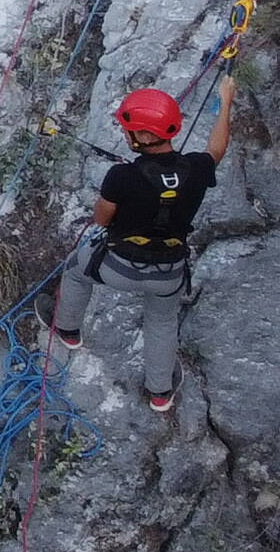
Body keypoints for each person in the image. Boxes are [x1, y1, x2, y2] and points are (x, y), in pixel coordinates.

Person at [46, 80, 237, 409]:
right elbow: (217, 149)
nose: (124, 134)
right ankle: (160, 393)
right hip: (168, 273)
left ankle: (67, 330)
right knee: (161, 320)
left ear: (143, 136)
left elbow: (102, 220)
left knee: (76, 271)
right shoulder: (195, 167)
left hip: (117, 267)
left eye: (128, 129)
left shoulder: (121, 177)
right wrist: (226, 102)